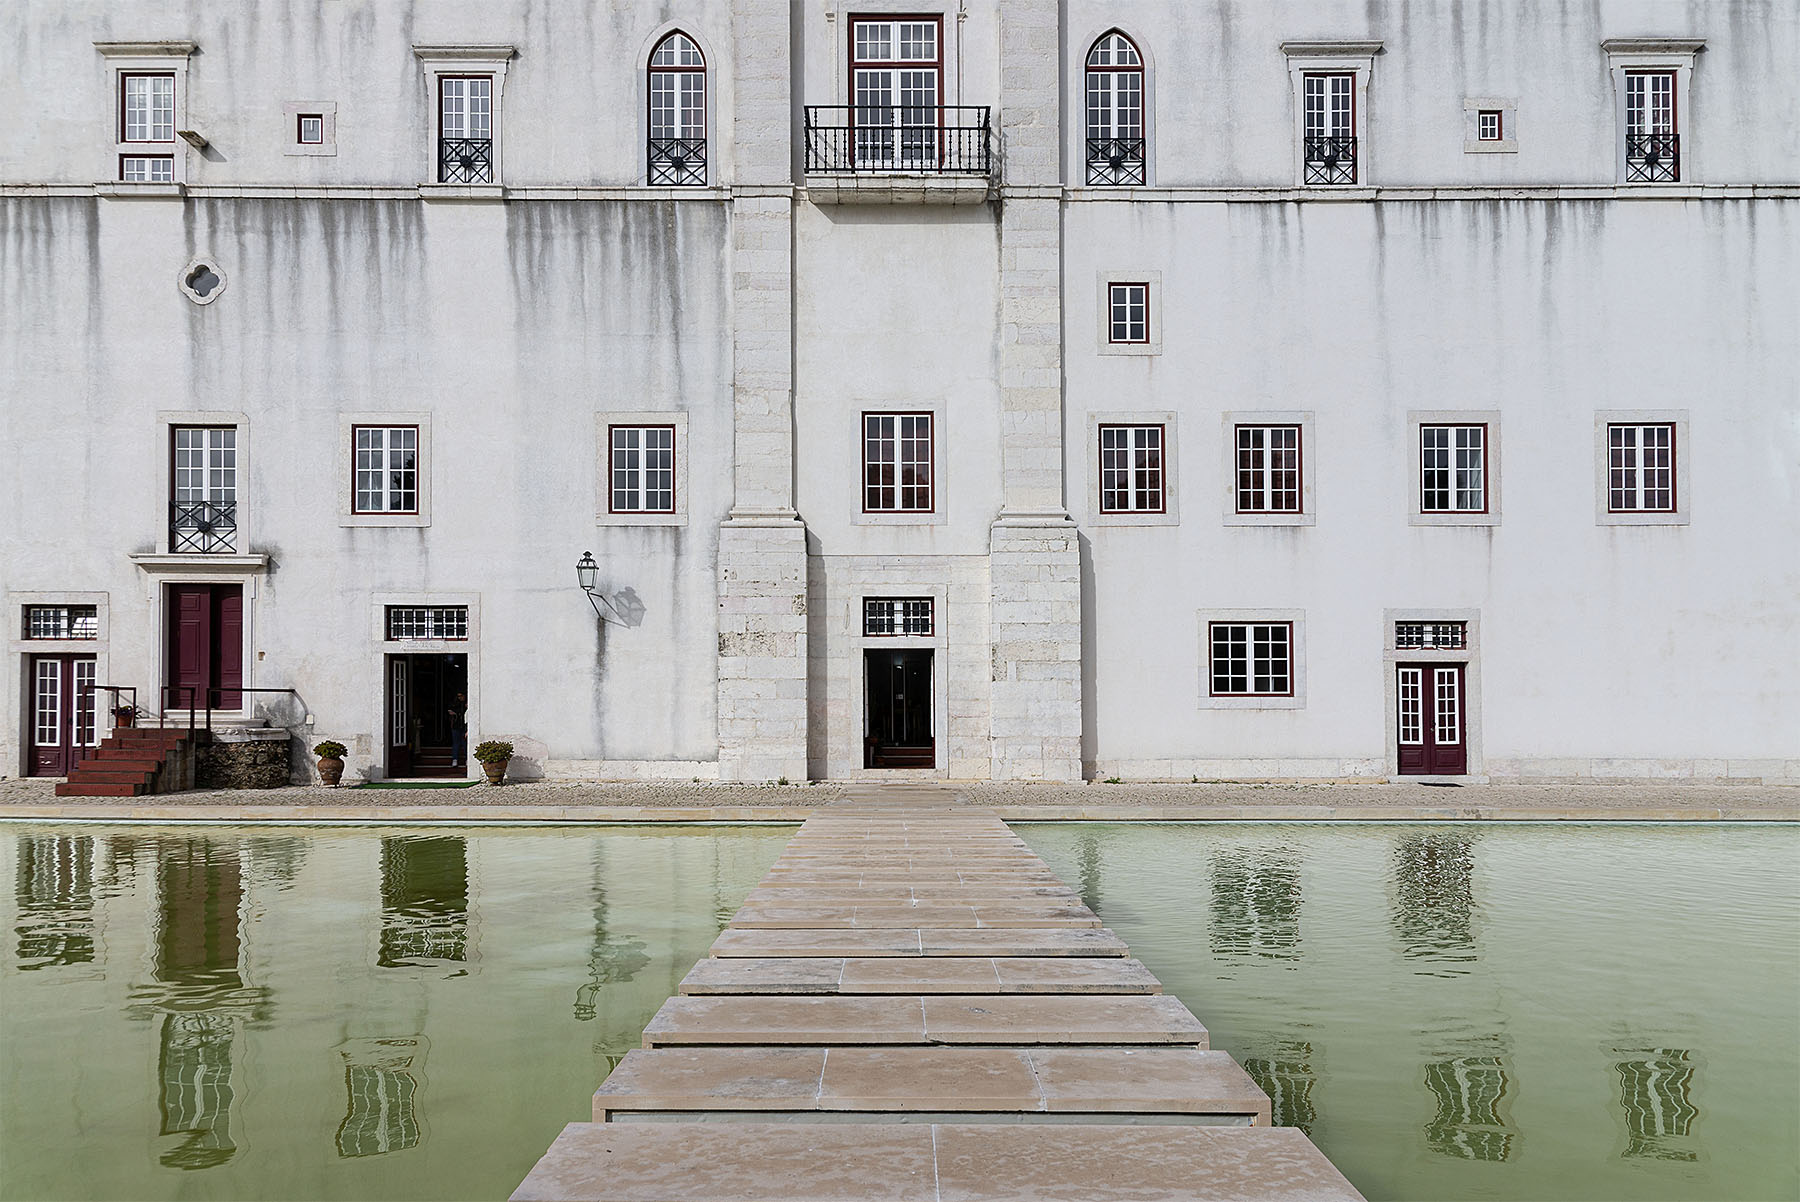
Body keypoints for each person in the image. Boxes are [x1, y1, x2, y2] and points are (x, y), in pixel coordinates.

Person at [448, 692, 468, 765]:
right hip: (456, 726)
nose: (460, 698)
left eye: (461, 696)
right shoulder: (454, 704)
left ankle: (467, 759)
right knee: (456, 743)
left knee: (464, 743)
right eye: (458, 696)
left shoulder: (467, 704)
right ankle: (455, 759)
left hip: (464, 726)